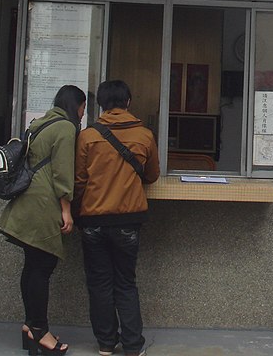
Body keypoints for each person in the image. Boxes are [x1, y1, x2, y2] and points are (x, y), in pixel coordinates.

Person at [0, 84, 87, 355]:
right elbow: (62, 172)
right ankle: (40, 331)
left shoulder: (41, 122)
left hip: (26, 200)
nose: (83, 114)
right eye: (83, 107)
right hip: (43, 203)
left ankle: (30, 327)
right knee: (42, 268)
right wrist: (66, 209)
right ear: (76, 105)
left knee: (33, 265)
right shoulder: (66, 127)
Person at [73, 80, 160, 356]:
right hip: (128, 221)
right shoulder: (144, 135)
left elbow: (79, 180)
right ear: (128, 102)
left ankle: (106, 344)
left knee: (99, 283)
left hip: (93, 220)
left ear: (100, 104)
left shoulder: (87, 136)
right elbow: (152, 175)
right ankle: (133, 346)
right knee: (125, 282)